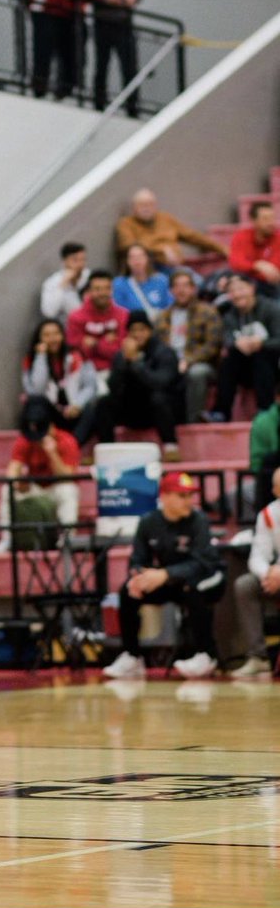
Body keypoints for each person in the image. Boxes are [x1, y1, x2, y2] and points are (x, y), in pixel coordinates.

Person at [102, 471, 225, 680]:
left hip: (208, 578)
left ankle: (206, 655)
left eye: (190, 496)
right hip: (170, 580)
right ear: (165, 497)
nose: (188, 501)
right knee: (129, 591)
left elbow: (201, 564)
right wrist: (139, 576)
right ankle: (132, 656)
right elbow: (137, 559)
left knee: (194, 588)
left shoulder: (199, 521)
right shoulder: (148, 522)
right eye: (182, 496)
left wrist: (165, 574)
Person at [93, 310, 182, 461]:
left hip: (159, 410)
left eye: (142, 329)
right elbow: (113, 387)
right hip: (130, 409)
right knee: (103, 402)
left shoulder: (164, 352)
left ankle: (171, 446)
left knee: (159, 398)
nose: (138, 334)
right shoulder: (121, 355)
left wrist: (135, 362)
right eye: (133, 330)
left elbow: (161, 383)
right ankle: (107, 449)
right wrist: (124, 363)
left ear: (150, 331)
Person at [202, 273, 280, 421]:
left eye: (241, 289)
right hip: (245, 367)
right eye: (232, 291)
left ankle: (266, 411)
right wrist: (236, 343)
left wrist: (261, 343)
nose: (237, 294)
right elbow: (226, 339)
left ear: (252, 288)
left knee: (262, 355)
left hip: (272, 366)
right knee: (229, 360)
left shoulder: (271, 309)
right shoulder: (229, 314)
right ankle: (221, 412)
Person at [0, 397, 81, 533]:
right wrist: (18, 483)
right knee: (6, 490)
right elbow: (13, 470)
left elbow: (67, 477)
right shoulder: (25, 439)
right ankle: (8, 539)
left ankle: (68, 542)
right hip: (35, 488)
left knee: (68, 490)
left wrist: (52, 453)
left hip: (56, 488)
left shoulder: (66, 440)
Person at [153, 269, 224, 424]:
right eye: (177, 286)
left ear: (193, 289)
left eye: (185, 286)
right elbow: (156, 347)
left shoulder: (208, 311)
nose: (181, 290)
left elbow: (212, 345)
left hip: (201, 363)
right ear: (171, 291)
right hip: (170, 364)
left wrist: (189, 360)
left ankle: (193, 423)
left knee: (196, 373)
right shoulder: (162, 317)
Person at [231, 464, 280, 677]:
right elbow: (258, 555)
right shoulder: (269, 514)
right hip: (275, 577)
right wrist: (267, 574)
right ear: (275, 490)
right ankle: (257, 656)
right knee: (245, 585)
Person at [21, 318, 98, 446]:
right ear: (39, 338)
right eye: (46, 335)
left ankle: (72, 446)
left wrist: (77, 404)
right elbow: (37, 390)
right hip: (52, 414)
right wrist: (41, 357)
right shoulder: (31, 360)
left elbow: (90, 386)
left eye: (56, 333)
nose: (52, 339)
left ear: (62, 335)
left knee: (94, 408)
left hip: (75, 410)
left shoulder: (78, 355)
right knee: (34, 403)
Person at [115, 188, 228, 272]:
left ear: (156, 206)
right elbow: (127, 245)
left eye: (150, 204)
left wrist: (221, 248)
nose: (146, 208)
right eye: (142, 205)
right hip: (149, 269)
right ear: (134, 208)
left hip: (176, 266)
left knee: (197, 281)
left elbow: (192, 236)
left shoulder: (165, 218)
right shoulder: (126, 223)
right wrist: (162, 251)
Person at [93, 0, 143, 116]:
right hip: (103, 20)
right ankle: (99, 106)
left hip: (124, 21)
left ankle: (133, 109)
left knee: (129, 66)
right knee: (101, 65)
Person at [65, 270, 129, 375]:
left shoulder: (123, 315)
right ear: (89, 291)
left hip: (118, 371)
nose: (102, 293)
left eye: (107, 288)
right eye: (97, 289)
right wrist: (107, 342)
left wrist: (96, 344)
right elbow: (77, 352)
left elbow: (122, 351)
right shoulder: (75, 317)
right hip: (86, 373)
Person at [228, 201, 280, 300]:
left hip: (270, 287)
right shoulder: (242, 236)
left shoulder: (278, 238)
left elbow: (273, 273)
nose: (270, 222)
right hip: (247, 284)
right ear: (254, 220)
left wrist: (249, 269)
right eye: (265, 218)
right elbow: (235, 262)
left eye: (272, 218)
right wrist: (257, 265)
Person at [112, 243, 173, 321]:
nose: (137, 261)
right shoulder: (119, 284)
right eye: (132, 257)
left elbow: (170, 306)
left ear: (148, 259)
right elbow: (118, 311)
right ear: (127, 261)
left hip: (160, 326)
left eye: (140, 256)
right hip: (133, 327)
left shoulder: (162, 280)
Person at [40, 240, 90, 324]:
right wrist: (63, 285)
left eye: (83, 260)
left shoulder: (89, 276)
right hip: (68, 328)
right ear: (64, 261)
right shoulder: (52, 283)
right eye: (75, 260)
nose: (80, 264)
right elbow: (49, 313)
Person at [249, 381, 280, 513]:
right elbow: (256, 463)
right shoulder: (263, 421)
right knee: (268, 464)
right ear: (278, 398)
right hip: (270, 472)